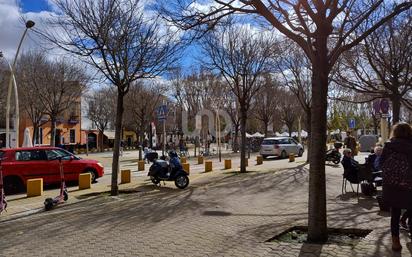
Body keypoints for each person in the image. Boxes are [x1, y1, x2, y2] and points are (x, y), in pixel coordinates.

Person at [380, 123, 412, 251]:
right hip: (409, 185)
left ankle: (395, 242)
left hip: (391, 185)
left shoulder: (388, 145)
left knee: (395, 214)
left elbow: (381, 164)